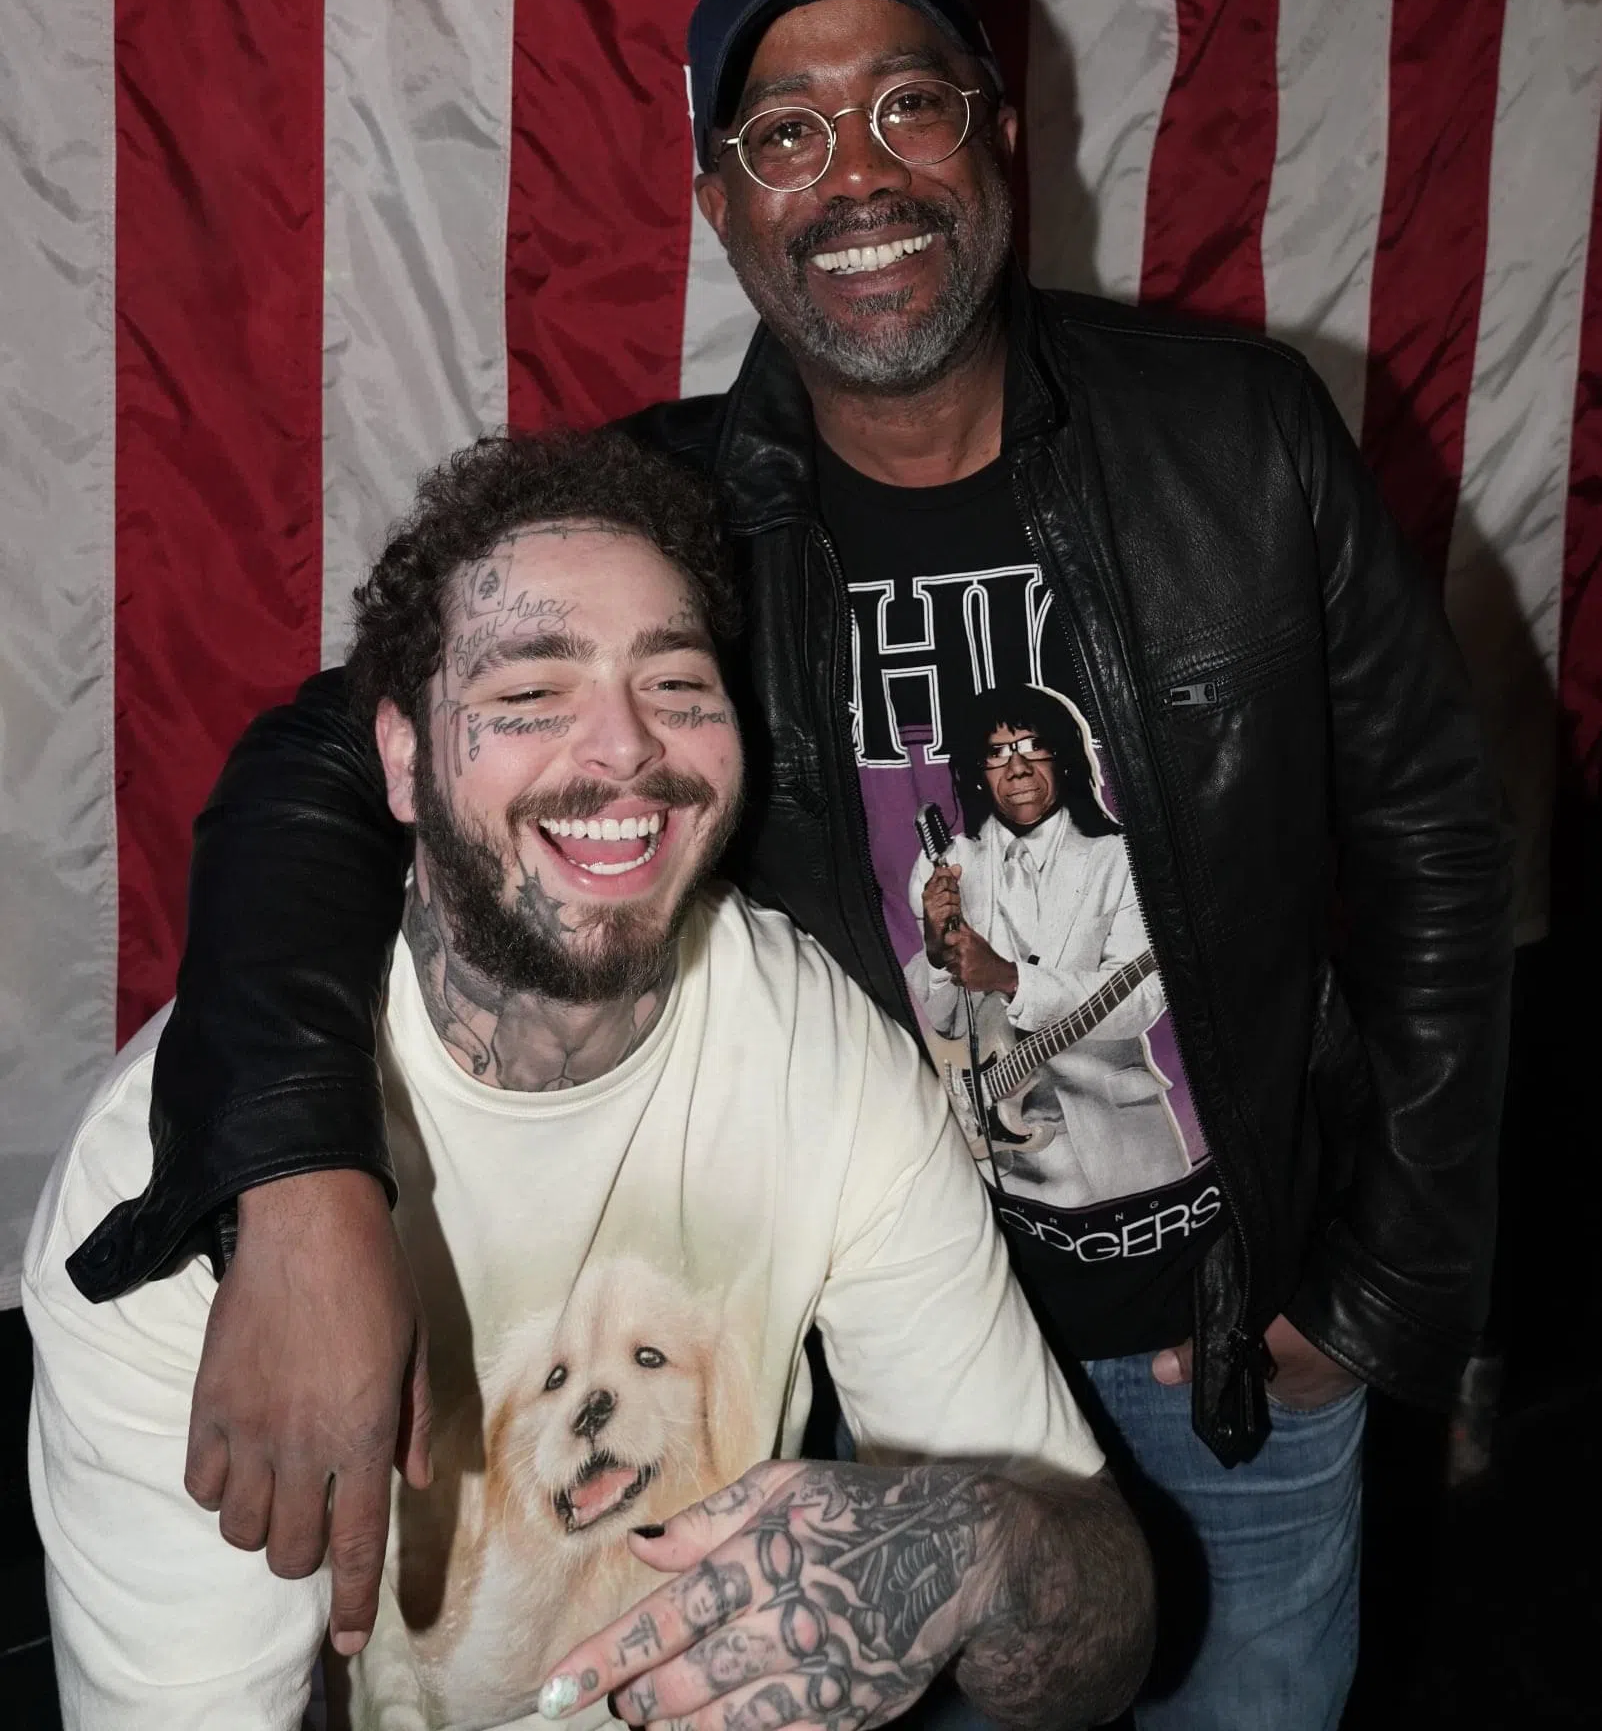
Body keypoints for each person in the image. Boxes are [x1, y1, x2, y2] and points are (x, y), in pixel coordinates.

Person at [66, 0, 1511, 1730]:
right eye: (787, 131)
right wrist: (294, 1182)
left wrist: (1375, 1295)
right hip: (871, 1355)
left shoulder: (1238, 435)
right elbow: (324, 767)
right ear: (720, 204)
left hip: (1227, 1347)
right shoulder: (675, 514)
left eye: (910, 104)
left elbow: (1436, 851)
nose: (859, 171)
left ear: (996, 140)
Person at [25, 429, 1151, 1731]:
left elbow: (1104, 1630)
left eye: (674, 682)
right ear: (400, 759)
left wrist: (981, 1550)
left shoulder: (815, 1050)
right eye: (529, 693)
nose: (622, 744)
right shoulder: (165, 1190)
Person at [905, 682, 1190, 1216]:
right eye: (997, 753)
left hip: (1118, 1141)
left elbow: (1142, 999)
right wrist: (939, 959)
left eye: (1033, 746)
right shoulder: (945, 864)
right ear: (977, 771)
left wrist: (1010, 978)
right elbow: (935, 1023)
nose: (1016, 768)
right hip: (992, 1152)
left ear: (1063, 757)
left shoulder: (1123, 858)